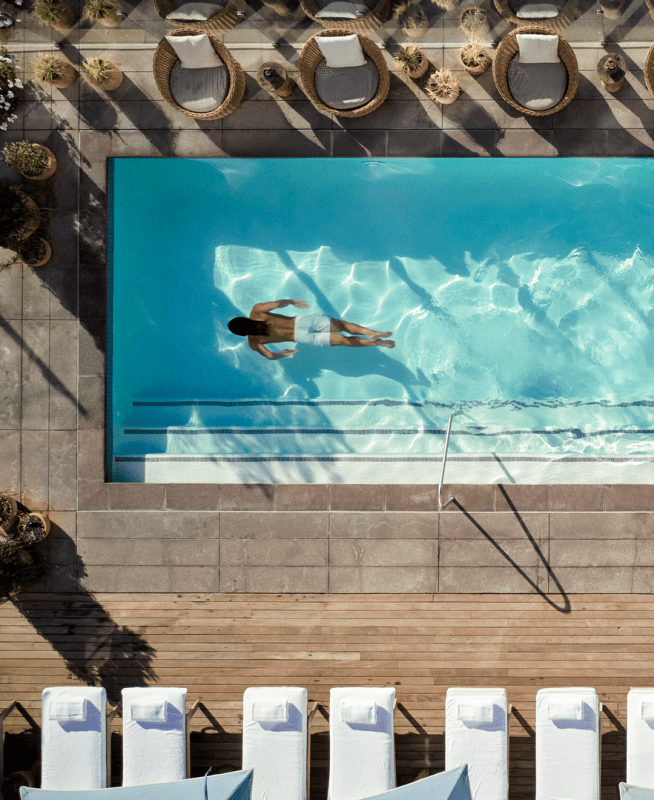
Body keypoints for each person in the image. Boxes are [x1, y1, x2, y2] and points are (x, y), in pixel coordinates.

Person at [228, 299, 395, 361]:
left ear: (241, 333)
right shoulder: (257, 311)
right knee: (344, 326)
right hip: (301, 322)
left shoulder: (253, 341)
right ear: (243, 318)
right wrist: (292, 301)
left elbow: (270, 356)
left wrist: (283, 353)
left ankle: (376, 343)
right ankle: (370, 333)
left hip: (300, 337)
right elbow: (279, 304)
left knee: (344, 341)